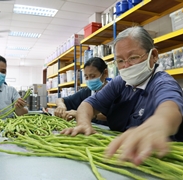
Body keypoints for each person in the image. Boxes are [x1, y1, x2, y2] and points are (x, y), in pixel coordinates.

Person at [61, 26, 183, 165]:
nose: (126, 66)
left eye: (133, 58)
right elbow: (88, 104)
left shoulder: (163, 83)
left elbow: (170, 109)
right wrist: (83, 123)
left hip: (156, 160)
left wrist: (157, 125)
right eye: (120, 61)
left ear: (153, 56)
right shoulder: (121, 82)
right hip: (126, 157)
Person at [54, 57, 109, 124]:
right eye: (86, 77)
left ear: (105, 73)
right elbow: (60, 99)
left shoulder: (114, 91)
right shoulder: (86, 93)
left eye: (92, 76)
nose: (89, 80)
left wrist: (85, 114)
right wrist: (61, 106)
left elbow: (115, 116)